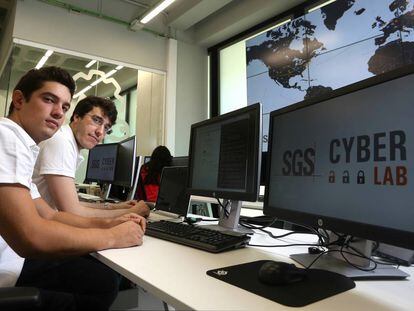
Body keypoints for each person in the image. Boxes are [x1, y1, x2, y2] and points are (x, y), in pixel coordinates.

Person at [0, 66, 146, 311]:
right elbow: (31, 237)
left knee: (99, 274)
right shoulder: (8, 137)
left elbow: (51, 214)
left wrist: (109, 223)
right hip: (9, 262)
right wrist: (113, 236)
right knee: (104, 281)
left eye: (64, 107)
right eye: (49, 100)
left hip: (11, 255)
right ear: (19, 100)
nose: (58, 113)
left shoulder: (22, 144)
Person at [32, 95, 150, 218]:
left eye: (106, 128)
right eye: (96, 120)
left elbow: (73, 204)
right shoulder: (61, 142)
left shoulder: (67, 141)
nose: (100, 132)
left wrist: (114, 207)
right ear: (77, 117)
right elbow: (72, 212)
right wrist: (133, 212)